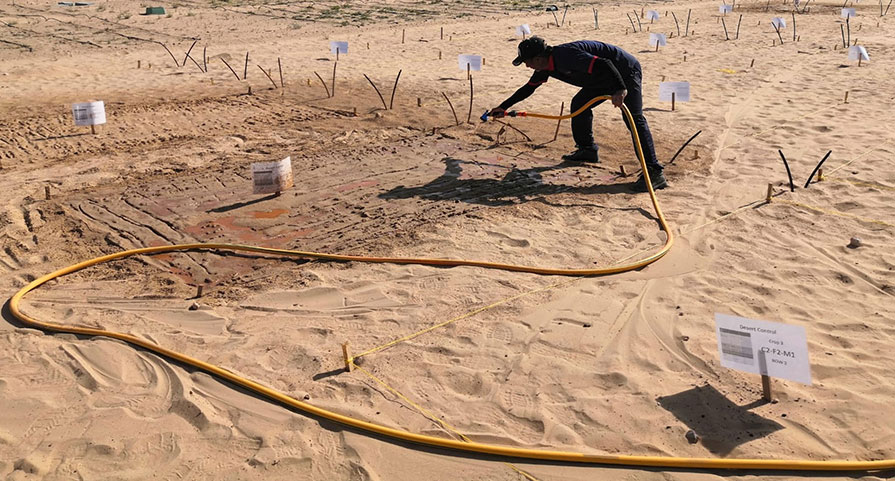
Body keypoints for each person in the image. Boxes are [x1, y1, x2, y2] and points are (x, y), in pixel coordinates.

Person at [488, 36, 667, 192]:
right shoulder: (545, 66)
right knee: (579, 104)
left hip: (625, 71)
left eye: (527, 62)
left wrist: (620, 89)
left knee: (633, 119)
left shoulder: (566, 56)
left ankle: (654, 171)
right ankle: (587, 150)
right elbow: (528, 89)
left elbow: (605, 63)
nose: (526, 66)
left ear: (538, 58)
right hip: (600, 78)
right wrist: (503, 107)